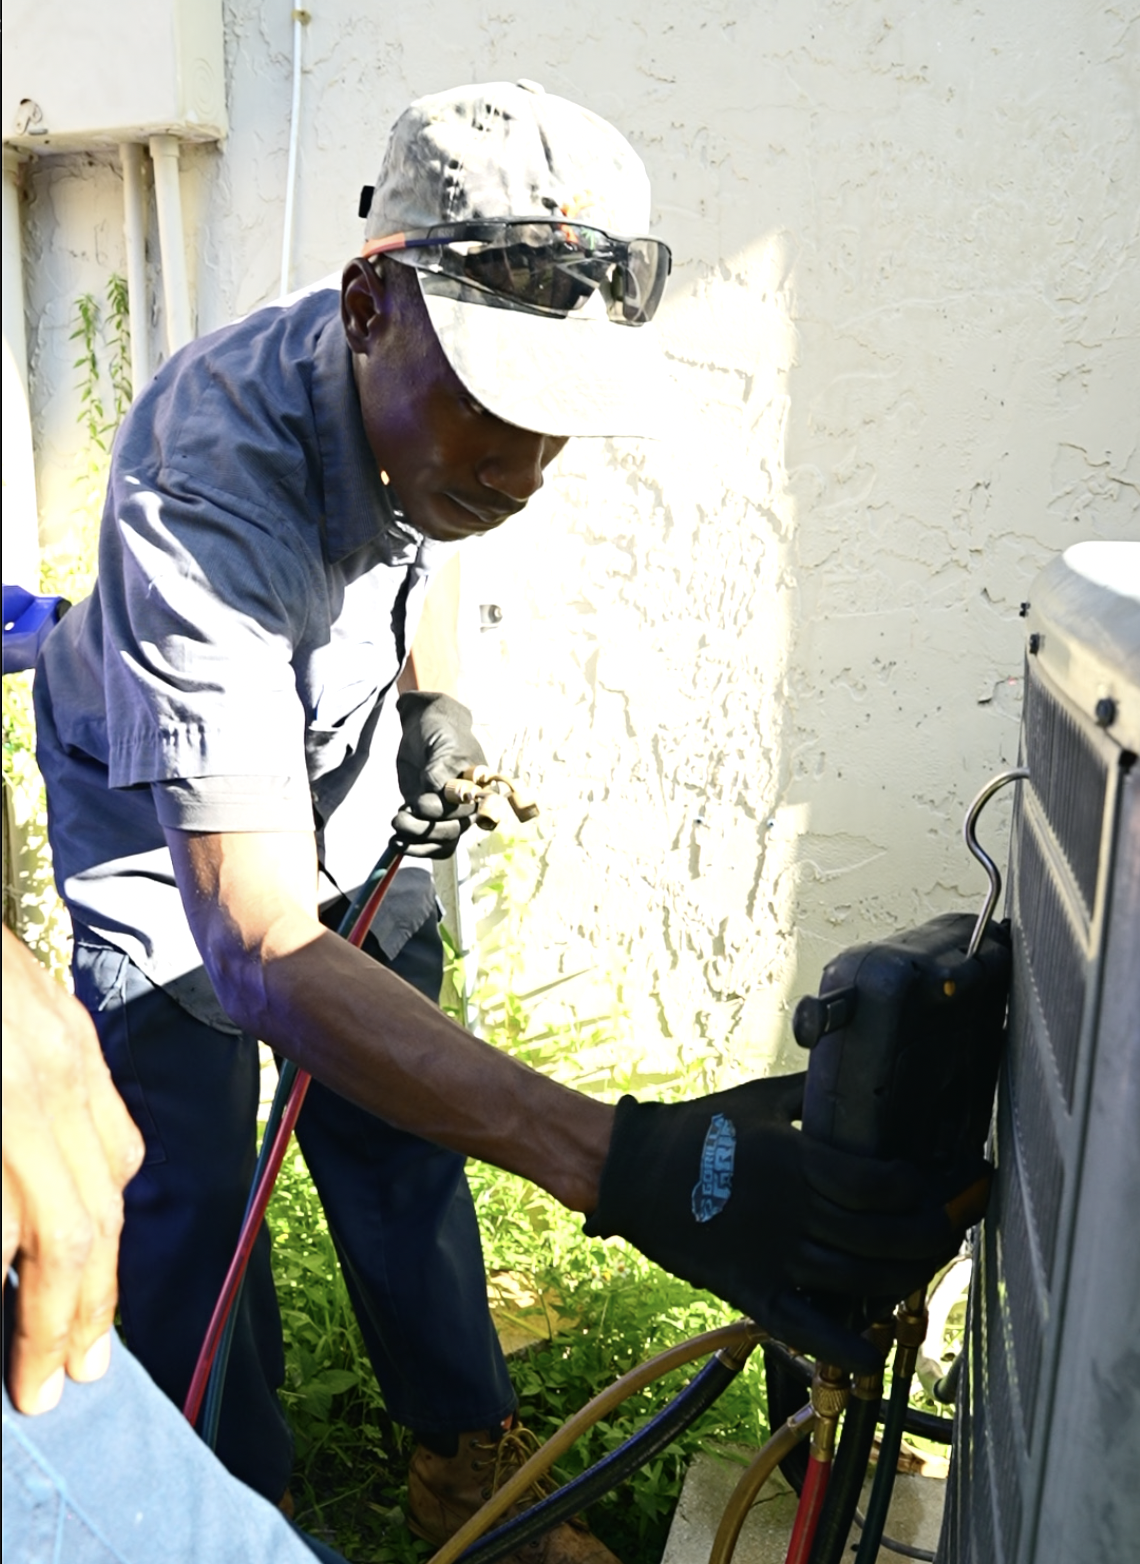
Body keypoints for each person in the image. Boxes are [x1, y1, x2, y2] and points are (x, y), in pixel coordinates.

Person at [31, 79, 973, 1561]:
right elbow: (261, 940)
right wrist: (627, 1162)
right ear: (367, 305)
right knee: (187, 1194)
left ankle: (466, 1462)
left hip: (342, 775)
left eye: (556, 424)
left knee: (406, 1122)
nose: (523, 470)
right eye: (494, 409)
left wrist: (425, 702)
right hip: (174, 839)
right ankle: (235, 1509)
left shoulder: (421, 404)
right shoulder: (199, 485)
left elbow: (430, 521)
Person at [1, 925, 345, 1563]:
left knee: (227, 1206)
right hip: (155, 928)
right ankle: (241, 1488)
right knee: (197, 1213)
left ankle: (245, 1495)